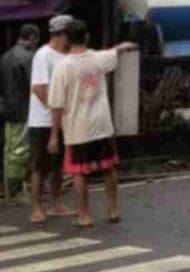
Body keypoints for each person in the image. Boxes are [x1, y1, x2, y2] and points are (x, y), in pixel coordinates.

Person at [47, 20, 136, 227]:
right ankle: (113, 209)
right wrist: (125, 45)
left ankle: (84, 215)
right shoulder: (98, 59)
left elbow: (56, 105)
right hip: (102, 125)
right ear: (87, 36)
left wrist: (53, 135)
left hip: (78, 129)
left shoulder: (63, 67)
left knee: (79, 172)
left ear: (67, 39)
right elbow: (115, 53)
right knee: (108, 168)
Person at [27, 15, 73, 223]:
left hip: (61, 120)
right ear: (62, 33)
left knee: (58, 165)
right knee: (39, 166)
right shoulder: (43, 55)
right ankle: (37, 207)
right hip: (42, 121)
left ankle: (57, 203)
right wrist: (54, 110)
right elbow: (38, 88)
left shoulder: (65, 56)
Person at [0, 24, 39, 199]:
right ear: (31, 37)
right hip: (24, 109)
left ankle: (10, 187)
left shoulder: (5, 56)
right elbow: (34, 85)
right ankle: (15, 190)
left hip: (8, 108)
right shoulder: (29, 57)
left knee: (10, 149)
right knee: (20, 151)